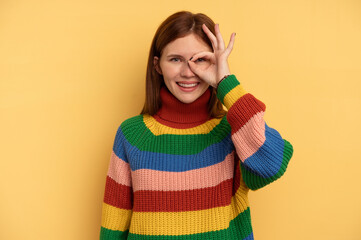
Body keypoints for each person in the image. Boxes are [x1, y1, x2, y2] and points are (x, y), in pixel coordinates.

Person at [99, 11, 294, 240]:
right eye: (175, 59)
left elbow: (271, 163)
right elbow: (113, 226)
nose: (187, 72)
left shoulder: (234, 131)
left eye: (199, 59)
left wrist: (225, 83)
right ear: (157, 65)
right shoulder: (132, 135)